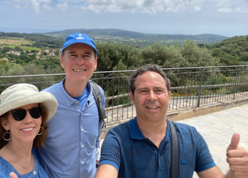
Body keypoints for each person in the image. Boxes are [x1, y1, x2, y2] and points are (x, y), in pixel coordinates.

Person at [0, 33, 105, 178]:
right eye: (72, 55)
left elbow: (96, 138)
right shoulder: (46, 102)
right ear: (62, 61)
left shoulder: (98, 95)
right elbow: (22, 137)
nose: (80, 61)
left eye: (86, 55)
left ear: (95, 63)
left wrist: (97, 162)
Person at [95, 64, 248, 178]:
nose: (152, 97)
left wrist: (236, 172)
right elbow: (107, 171)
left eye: (158, 90)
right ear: (132, 98)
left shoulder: (191, 136)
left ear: (169, 96)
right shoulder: (117, 138)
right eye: (143, 91)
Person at [0, 83, 57, 178]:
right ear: (5, 123)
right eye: (19, 114)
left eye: (35, 112)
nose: (29, 120)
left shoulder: (34, 154)